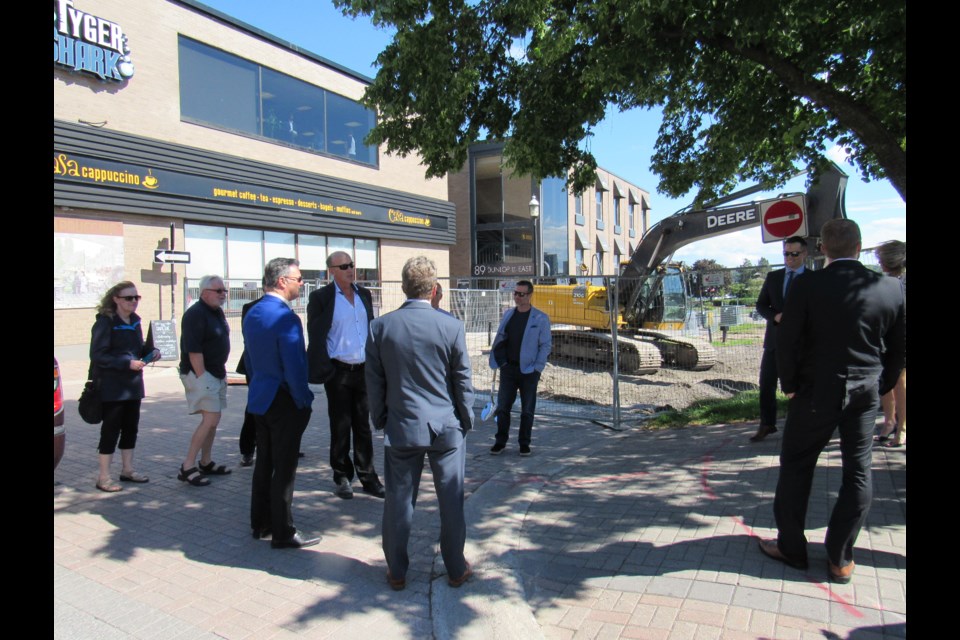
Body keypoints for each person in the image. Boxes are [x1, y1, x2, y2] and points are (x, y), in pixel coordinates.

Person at [759, 219, 905, 583]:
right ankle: (840, 557)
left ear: (822, 248)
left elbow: (789, 340)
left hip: (814, 391)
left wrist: (789, 385)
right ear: (859, 248)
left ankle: (792, 548)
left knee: (796, 467)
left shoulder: (807, 285)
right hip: (864, 390)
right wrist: (882, 384)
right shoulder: (890, 288)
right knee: (857, 472)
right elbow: (899, 347)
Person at [366, 256, 475, 590]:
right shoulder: (451, 326)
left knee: (399, 502)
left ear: (403, 287)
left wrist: (380, 418)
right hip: (446, 427)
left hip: (402, 427)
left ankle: (396, 571)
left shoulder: (381, 327)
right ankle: (456, 568)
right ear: (435, 288)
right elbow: (463, 380)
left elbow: (374, 382)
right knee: (451, 501)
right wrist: (465, 420)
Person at [243, 258, 319, 549]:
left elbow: (249, 359)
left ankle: (260, 523)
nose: (302, 283)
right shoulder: (286, 318)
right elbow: (295, 364)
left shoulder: (252, 313)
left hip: (261, 398)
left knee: (264, 463)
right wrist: (303, 399)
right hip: (284, 399)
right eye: (298, 279)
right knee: (284, 469)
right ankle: (283, 531)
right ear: (281, 282)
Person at [306, 251, 385, 499]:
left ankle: (368, 477)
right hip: (338, 371)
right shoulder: (321, 298)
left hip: (363, 370)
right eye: (344, 266)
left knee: (363, 426)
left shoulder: (364, 294)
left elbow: (370, 329)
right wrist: (325, 368)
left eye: (352, 265)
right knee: (340, 426)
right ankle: (341, 476)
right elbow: (316, 334)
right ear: (331, 271)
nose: (350, 269)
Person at [89, 281, 160, 492]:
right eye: (128, 298)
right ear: (116, 299)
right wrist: (126, 363)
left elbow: (138, 348)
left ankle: (127, 469)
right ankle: (103, 477)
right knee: (110, 430)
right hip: (112, 387)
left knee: (131, 428)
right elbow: (98, 355)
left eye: (136, 298)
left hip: (133, 385)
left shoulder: (136, 321)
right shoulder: (105, 322)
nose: (133, 302)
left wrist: (151, 351)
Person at [750, 236, 808, 442]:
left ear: (804, 254)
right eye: (786, 253)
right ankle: (767, 424)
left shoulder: (812, 279)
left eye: (795, 254)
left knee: (800, 386)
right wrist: (775, 316)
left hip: (801, 344)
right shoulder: (774, 277)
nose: (790, 258)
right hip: (774, 342)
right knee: (766, 384)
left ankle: (801, 425)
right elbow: (761, 305)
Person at [177, 275, 231, 486]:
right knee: (209, 419)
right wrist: (203, 378)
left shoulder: (216, 311)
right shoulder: (195, 314)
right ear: (204, 292)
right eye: (219, 291)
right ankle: (188, 466)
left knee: (214, 420)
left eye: (224, 291)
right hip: (201, 373)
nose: (223, 295)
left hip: (217, 372)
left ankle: (206, 461)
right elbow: (194, 350)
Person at [488, 280, 551, 456]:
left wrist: (537, 368)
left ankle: (524, 443)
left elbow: (545, 345)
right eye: (515, 293)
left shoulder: (540, 318)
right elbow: (501, 338)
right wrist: (501, 362)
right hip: (508, 369)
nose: (516, 297)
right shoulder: (508, 314)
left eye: (520, 294)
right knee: (502, 408)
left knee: (527, 410)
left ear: (530, 295)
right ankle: (500, 441)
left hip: (529, 372)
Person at [874, 240, 906, 448]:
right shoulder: (881, 282)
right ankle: (888, 422)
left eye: (880, 259)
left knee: (900, 383)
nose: (879, 263)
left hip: (901, 341)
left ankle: (901, 431)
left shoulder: (902, 284)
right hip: (884, 340)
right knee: (886, 383)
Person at [236, 294, 265, 467]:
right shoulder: (251, 307)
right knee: (254, 408)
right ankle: (247, 449)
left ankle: (281, 444)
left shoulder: (285, 306)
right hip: (255, 366)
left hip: (278, 369)